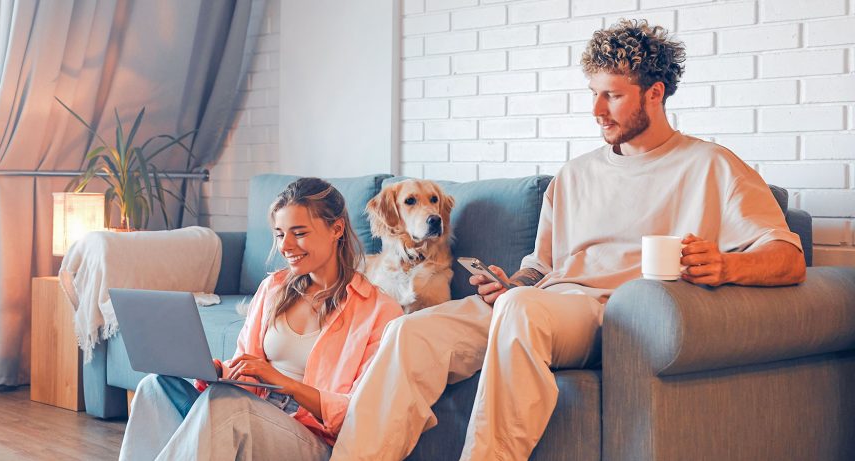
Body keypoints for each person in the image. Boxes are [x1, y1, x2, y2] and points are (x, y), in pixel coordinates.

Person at [330, 19, 806, 461]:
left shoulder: (711, 165)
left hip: (611, 314)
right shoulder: (574, 175)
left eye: (613, 96)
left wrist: (725, 265)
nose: (597, 110)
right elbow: (539, 266)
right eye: (594, 94)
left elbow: (788, 258)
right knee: (410, 332)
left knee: (521, 311)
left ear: (655, 93)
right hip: (541, 302)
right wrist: (510, 282)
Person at [119, 178, 403, 460]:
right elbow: (247, 369)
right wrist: (220, 372)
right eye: (280, 234)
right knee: (154, 386)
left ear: (336, 229)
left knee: (229, 407)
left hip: (312, 440)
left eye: (299, 233)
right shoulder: (273, 289)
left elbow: (357, 414)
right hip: (254, 415)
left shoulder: (378, 311)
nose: (286, 245)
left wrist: (284, 382)